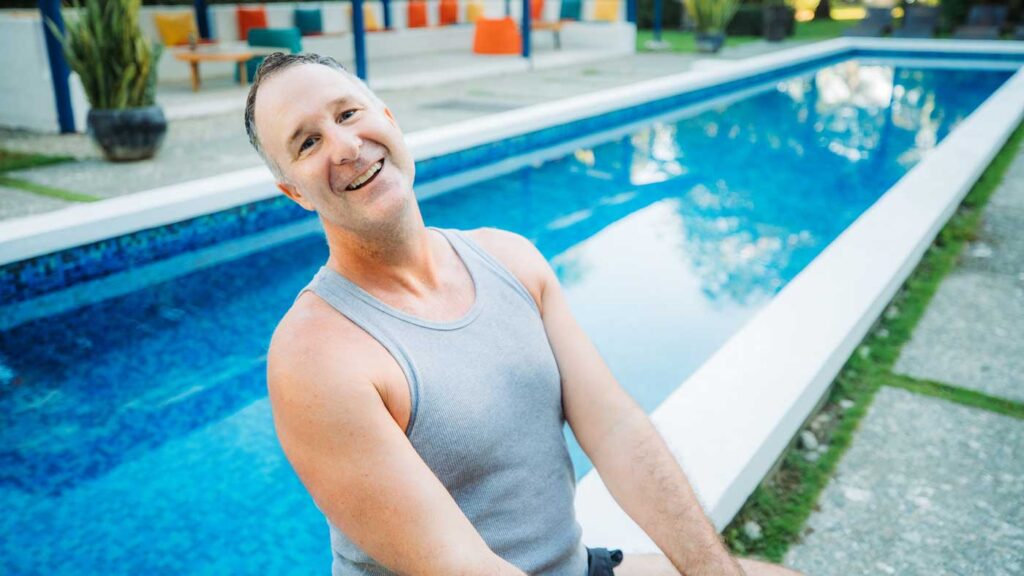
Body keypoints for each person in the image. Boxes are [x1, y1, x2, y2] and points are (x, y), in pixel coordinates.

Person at [247, 52, 802, 576]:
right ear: (293, 191)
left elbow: (616, 430)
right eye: (308, 142)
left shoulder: (510, 260)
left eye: (349, 113)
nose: (345, 146)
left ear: (388, 120)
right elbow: (461, 566)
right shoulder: (316, 355)